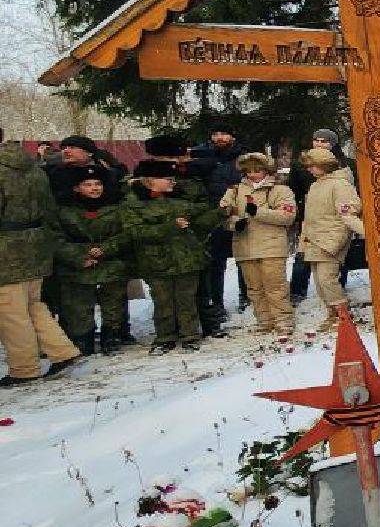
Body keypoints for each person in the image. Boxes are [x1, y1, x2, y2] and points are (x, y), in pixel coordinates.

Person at [0, 131, 83, 384]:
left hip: (5, 247)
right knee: (33, 304)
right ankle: (62, 352)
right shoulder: (32, 166)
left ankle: (24, 369)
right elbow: (48, 207)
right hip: (35, 243)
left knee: (11, 312)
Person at [123, 160, 221, 353]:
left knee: (187, 300)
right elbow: (135, 233)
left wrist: (220, 212)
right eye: (167, 179)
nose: (172, 182)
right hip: (156, 261)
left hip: (186, 259)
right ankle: (165, 337)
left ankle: (190, 335)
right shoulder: (133, 205)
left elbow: (200, 221)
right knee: (163, 301)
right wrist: (170, 227)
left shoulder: (179, 201)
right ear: (150, 180)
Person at [52, 168, 128, 356]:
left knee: (113, 302)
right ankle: (83, 338)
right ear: (76, 188)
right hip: (77, 266)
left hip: (110, 262)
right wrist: (80, 256)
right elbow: (56, 239)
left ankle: (111, 334)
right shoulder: (63, 211)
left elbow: (126, 234)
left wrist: (106, 248)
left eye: (98, 184)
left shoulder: (115, 208)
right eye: (88, 184)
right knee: (78, 306)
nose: (94, 188)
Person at [219, 152, 297, 335]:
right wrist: (234, 223)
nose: (252, 174)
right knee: (254, 288)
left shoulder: (280, 190)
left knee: (275, 286)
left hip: (271, 246)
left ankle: (283, 320)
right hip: (245, 246)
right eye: (248, 171)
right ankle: (264, 320)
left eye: (257, 170)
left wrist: (259, 212)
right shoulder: (235, 190)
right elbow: (224, 213)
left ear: (266, 170)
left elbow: (288, 216)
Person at [190, 122, 246, 329]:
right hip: (212, 214)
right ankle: (216, 302)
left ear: (232, 137)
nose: (220, 138)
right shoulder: (201, 157)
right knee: (215, 262)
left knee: (244, 257)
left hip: (240, 213)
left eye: (224, 134)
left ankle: (246, 297)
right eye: (216, 134)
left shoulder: (243, 156)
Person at [296, 148, 363, 322]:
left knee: (328, 280)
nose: (309, 169)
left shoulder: (340, 185)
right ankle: (332, 315)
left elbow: (348, 216)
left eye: (312, 165)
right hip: (314, 241)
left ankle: (343, 317)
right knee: (319, 283)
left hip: (329, 242)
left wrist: (333, 244)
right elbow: (308, 219)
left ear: (324, 165)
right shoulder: (315, 185)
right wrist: (303, 244)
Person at [289, 128, 351, 305]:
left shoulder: (344, 167)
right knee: (304, 258)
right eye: (316, 140)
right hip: (309, 217)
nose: (319, 144)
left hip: (334, 219)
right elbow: (293, 190)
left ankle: (338, 301)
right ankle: (298, 290)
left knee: (330, 267)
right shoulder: (301, 166)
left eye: (324, 141)